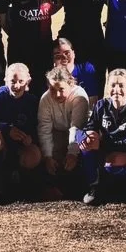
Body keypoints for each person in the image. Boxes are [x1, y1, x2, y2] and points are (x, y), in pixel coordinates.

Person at [78, 68, 126, 205]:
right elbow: (89, 126)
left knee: (114, 161)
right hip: (106, 149)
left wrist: (102, 145)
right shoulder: (100, 105)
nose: (116, 89)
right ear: (107, 87)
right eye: (113, 85)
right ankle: (94, 187)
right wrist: (87, 137)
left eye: (121, 85)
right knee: (85, 143)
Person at [0, 62, 43, 193]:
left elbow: (36, 125)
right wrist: (6, 129)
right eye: (12, 81)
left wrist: (30, 138)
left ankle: (21, 177)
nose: (16, 85)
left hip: (20, 146)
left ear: (28, 81)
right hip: (1, 146)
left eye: (21, 81)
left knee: (34, 154)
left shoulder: (32, 101)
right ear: (5, 80)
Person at [37, 66, 91, 196]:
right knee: (53, 151)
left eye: (61, 89)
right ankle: (54, 183)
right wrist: (48, 156)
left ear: (70, 84)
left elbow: (77, 127)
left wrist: (72, 153)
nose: (57, 95)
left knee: (82, 147)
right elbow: (44, 128)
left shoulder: (80, 96)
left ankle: (85, 183)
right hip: (59, 132)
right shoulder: (45, 99)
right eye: (52, 89)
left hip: (80, 131)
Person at [5, 0, 58, 78]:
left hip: (44, 51)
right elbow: (2, 14)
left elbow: (56, 6)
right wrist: (12, 33)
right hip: (19, 52)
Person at [60, 0, 107, 81]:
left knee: (97, 84)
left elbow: (117, 7)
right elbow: (50, 9)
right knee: (70, 86)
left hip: (95, 43)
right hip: (70, 43)